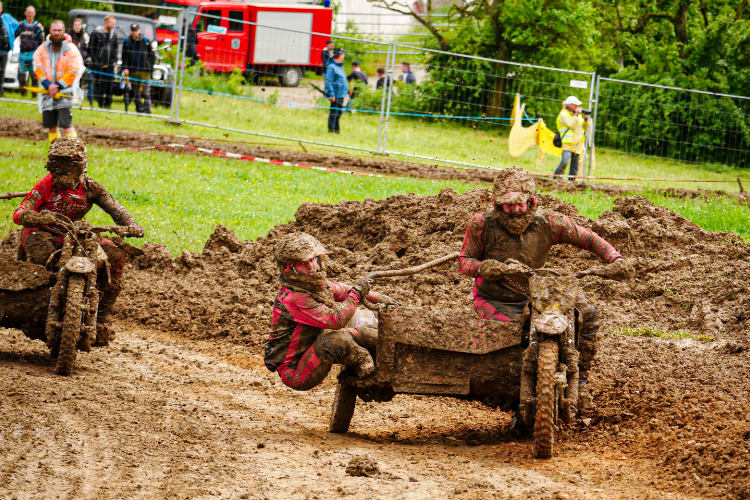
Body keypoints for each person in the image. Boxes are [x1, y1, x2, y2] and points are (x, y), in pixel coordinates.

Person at [458, 167, 632, 384]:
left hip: (537, 293)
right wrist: (484, 268)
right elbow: (464, 261)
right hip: (494, 299)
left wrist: (615, 260)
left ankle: (580, 376)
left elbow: (588, 238)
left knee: (586, 314)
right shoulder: (482, 224)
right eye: (508, 204)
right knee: (516, 334)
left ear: (531, 201)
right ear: (497, 203)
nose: (514, 210)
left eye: (519, 203)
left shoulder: (549, 222)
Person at [13, 137, 144, 345]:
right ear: (51, 167)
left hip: (74, 234)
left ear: (82, 167)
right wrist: (38, 217)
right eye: (58, 166)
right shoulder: (46, 184)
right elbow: (20, 212)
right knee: (40, 257)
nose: (64, 172)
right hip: (43, 231)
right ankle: (35, 306)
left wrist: (131, 226)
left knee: (115, 255)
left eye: (70, 166)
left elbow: (116, 209)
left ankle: (102, 312)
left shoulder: (92, 188)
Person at [264, 233, 397, 390]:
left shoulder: (312, 284)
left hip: (312, 348)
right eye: (302, 263)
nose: (310, 266)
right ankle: (365, 365)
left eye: (312, 259)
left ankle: (393, 354)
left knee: (365, 325)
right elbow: (335, 320)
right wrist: (357, 294)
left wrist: (378, 298)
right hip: (295, 372)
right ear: (289, 268)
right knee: (334, 340)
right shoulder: (294, 298)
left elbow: (343, 291)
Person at [33, 20, 84, 143]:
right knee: (51, 125)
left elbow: (74, 70)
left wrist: (58, 86)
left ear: (64, 31)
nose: (56, 33)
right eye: (54, 30)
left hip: (65, 91)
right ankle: (55, 150)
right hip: (47, 92)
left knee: (66, 123)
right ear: (50, 30)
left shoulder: (71, 49)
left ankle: (75, 151)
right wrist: (48, 85)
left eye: (59, 30)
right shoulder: (42, 49)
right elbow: (38, 67)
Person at [122, 23, 155, 114]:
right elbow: (124, 56)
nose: (134, 32)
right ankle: (139, 109)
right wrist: (125, 67)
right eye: (133, 30)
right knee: (136, 92)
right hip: (133, 70)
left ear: (139, 31)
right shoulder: (127, 41)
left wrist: (151, 67)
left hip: (145, 70)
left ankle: (147, 109)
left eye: (136, 30)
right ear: (130, 31)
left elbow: (152, 55)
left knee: (146, 92)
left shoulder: (145, 41)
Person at [553, 96, 588, 181]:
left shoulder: (578, 116)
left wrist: (586, 119)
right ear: (570, 105)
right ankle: (556, 179)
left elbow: (584, 127)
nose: (578, 107)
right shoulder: (563, 114)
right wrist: (576, 114)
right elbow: (571, 125)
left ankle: (571, 183)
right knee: (564, 162)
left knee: (574, 166)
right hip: (568, 144)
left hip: (577, 145)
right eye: (576, 105)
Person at [14, 5, 43, 97]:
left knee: (34, 76)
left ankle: (34, 94)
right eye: (28, 12)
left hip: (34, 54)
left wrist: (40, 54)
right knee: (21, 75)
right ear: (25, 13)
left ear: (34, 14)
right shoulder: (20, 25)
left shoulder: (38, 27)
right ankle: (23, 93)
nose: (30, 14)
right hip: (22, 53)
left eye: (32, 13)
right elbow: (13, 35)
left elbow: (41, 42)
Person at [89, 15, 118, 109]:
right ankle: (100, 103)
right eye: (112, 23)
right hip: (100, 63)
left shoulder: (114, 34)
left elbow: (115, 48)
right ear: (106, 23)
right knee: (100, 84)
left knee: (110, 84)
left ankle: (108, 104)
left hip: (110, 63)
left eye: (114, 24)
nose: (113, 25)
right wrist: (95, 61)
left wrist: (115, 60)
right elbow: (91, 48)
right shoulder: (96, 33)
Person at [67, 17, 91, 105]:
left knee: (81, 80)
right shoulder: (68, 36)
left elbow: (88, 49)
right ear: (72, 26)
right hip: (70, 62)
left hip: (81, 63)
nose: (77, 27)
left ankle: (78, 96)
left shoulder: (85, 36)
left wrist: (87, 58)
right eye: (75, 25)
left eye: (79, 25)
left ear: (81, 26)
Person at [324, 47, 348, 134]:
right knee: (334, 113)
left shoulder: (340, 67)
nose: (344, 55)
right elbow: (328, 81)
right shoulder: (331, 67)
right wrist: (331, 94)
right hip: (335, 95)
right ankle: (331, 130)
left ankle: (337, 130)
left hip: (341, 94)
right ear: (339, 55)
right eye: (343, 54)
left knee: (338, 113)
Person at [0, 1, 19, 98]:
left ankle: (1, 92)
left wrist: (12, 36)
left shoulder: (6, 17)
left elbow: (17, 25)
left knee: (2, 71)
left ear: (1, 9)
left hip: (3, 50)